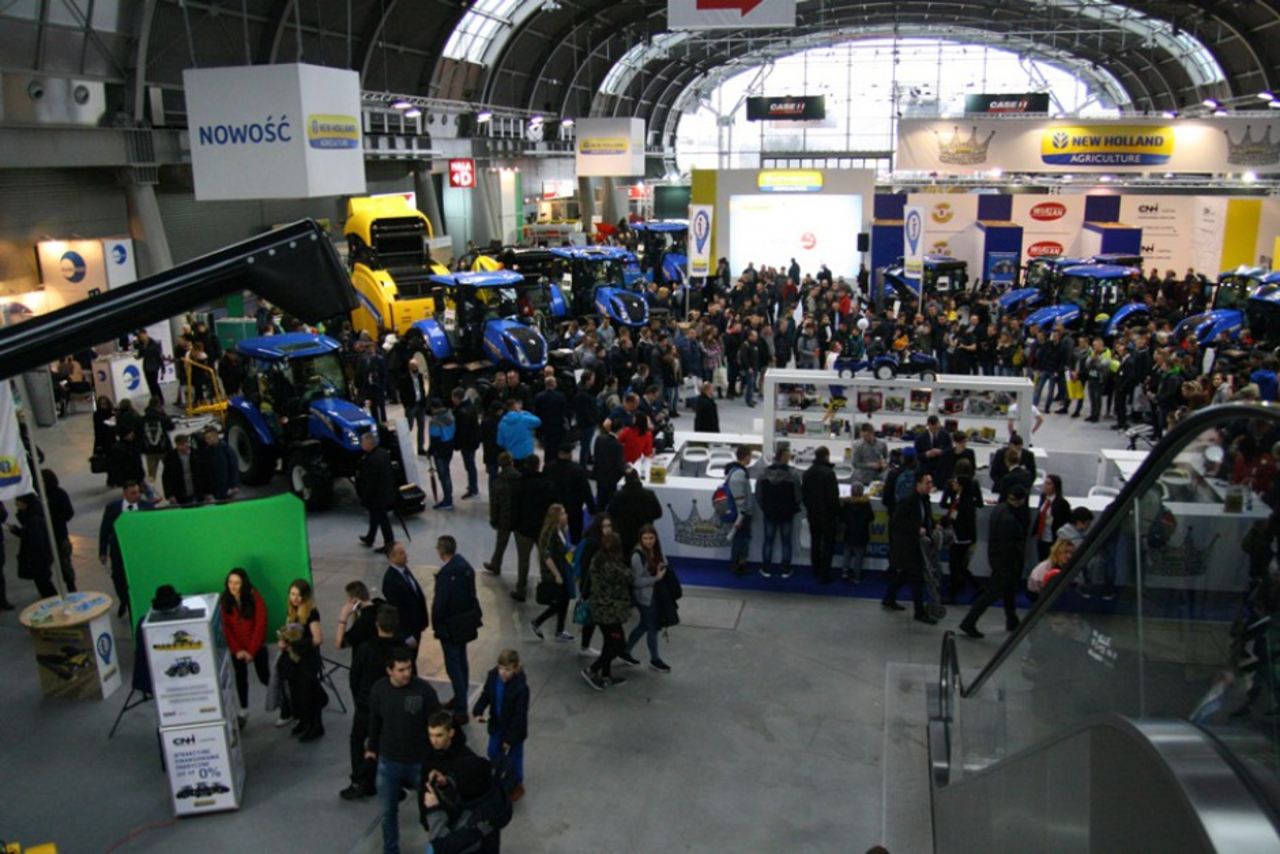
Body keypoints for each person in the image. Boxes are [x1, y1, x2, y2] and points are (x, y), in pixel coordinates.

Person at [366, 646, 442, 854]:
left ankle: (436, 847)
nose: (407, 673)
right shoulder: (379, 690)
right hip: (389, 760)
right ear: (389, 670)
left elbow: (437, 721)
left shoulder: (423, 691)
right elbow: (375, 721)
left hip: (419, 761)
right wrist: (372, 747)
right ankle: (391, 850)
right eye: (401, 670)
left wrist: (438, 757)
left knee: (430, 809)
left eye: (409, 668)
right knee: (387, 811)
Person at [341, 604, 401, 801]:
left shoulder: (366, 649)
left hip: (367, 706)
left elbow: (354, 677)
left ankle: (360, 781)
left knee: (358, 741)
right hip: (393, 707)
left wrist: (359, 697)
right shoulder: (401, 651)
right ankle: (389, 781)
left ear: (377, 624)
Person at [959, 485, 1032, 638]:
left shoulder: (1000, 509)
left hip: (997, 558)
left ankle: (1012, 620)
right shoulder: (1010, 520)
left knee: (1009, 591)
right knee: (992, 593)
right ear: (1021, 500)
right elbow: (1009, 545)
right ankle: (969, 622)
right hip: (1006, 562)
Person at [432, 535, 481, 725]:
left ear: (440, 551)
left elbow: (440, 604)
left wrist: (437, 624)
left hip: (450, 626)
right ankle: (460, 698)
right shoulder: (465, 566)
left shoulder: (446, 575)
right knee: (462, 661)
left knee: (453, 666)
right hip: (464, 622)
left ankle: (461, 708)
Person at [473, 649, 530, 802]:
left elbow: (519, 716)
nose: (503, 673)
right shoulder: (493, 677)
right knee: (492, 751)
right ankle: (501, 776)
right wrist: (478, 710)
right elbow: (486, 694)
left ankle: (516, 784)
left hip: (514, 730)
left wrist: (510, 739)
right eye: (501, 668)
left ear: (515, 668)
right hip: (497, 724)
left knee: (514, 757)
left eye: (507, 669)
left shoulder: (521, 688)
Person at [881, 471, 938, 624]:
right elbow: (897, 521)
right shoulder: (908, 501)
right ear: (918, 484)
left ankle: (889, 598)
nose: (930, 485)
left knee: (906, 574)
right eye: (927, 482)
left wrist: (934, 525)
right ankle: (919, 612)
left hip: (917, 544)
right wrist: (916, 528)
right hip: (907, 545)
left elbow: (926, 517)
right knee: (916, 577)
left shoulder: (924, 500)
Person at [581, 532, 633, 691]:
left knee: (609, 642)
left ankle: (606, 676)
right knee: (618, 645)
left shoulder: (597, 560)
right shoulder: (613, 566)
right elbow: (629, 577)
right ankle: (591, 670)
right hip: (610, 613)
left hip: (599, 609)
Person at [421, 754, 504, 853]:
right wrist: (446, 784)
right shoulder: (487, 793)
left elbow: (442, 847)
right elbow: (468, 789)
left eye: (458, 779)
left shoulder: (478, 823)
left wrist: (434, 809)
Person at [618, 523, 672, 673]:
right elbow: (636, 582)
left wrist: (662, 566)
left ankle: (625, 651)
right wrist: (656, 578)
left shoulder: (657, 550)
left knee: (644, 625)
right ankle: (655, 659)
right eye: (645, 538)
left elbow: (665, 562)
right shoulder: (637, 556)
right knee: (652, 628)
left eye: (651, 538)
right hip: (644, 598)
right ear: (640, 539)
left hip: (655, 594)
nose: (649, 541)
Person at [276, 578, 325, 742]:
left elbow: (317, 639)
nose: (295, 598)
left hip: (307, 661)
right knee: (297, 695)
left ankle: (315, 725)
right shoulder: (291, 611)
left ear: (306, 596)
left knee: (309, 694)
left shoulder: (312, 613)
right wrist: (283, 641)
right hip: (294, 662)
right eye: (292, 594)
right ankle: (303, 721)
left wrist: (295, 644)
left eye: (298, 595)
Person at [219, 568, 269, 728]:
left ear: (244, 584)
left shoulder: (255, 598)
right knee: (240, 678)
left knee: (265, 677)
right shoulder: (225, 600)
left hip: (256, 646)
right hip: (238, 649)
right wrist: (237, 650)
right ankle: (243, 710)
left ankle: (286, 704)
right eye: (230, 582)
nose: (233, 586)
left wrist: (252, 651)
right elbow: (226, 629)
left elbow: (260, 626)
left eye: (237, 583)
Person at [98, 480, 154, 618]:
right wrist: (102, 551)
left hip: (139, 550)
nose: (137, 495)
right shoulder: (112, 509)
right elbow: (105, 530)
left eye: (138, 492)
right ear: (125, 493)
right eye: (133, 493)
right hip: (119, 550)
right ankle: (124, 600)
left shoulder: (147, 507)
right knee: (118, 577)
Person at [510, 456, 557, 603]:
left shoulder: (519, 484)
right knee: (545, 558)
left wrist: (513, 525)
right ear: (538, 466)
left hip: (523, 528)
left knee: (523, 560)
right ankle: (547, 589)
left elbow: (514, 507)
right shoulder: (548, 483)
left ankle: (521, 590)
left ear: (525, 465)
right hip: (542, 528)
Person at [755, 444, 803, 579]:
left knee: (768, 540)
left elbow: (758, 495)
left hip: (769, 511)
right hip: (787, 513)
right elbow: (798, 496)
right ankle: (786, 569)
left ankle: (766, 568)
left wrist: (764, 507)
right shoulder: (793, 475)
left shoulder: (764, 474)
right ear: (784, 457)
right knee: (786, 542)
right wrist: (793, 507)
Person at [530, 503, 574, 642]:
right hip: (554, 572)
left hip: (562, 569)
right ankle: (538, 622)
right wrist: (557, 574)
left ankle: (559, 630)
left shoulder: (562, 531)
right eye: (563, 513)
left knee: (564, 599)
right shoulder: (551, 532)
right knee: (560, 600)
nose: (566, 516)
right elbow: (546, 555)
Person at [941, 461, 983, 604]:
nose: (953, 484)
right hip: (961, 536)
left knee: (955, 565)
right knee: (958, 565)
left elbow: (958, 517)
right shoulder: (962, 499)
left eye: (955, 482)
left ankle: (953, 593)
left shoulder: (964, 503)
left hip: (962, 537)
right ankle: (976, 587)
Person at [803, 446, 841, 584]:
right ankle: (825, 573)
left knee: (815, 542)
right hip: (827, 515)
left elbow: (804, 495)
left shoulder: (807, 473)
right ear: (827, 456)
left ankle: (816, 570)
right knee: (828, 545)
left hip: (813, 514)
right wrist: (837, 513)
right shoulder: (829, 473)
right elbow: (833, 497)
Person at [544, 442, 595, 544]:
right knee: (576, 535)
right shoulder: (577, 470)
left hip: (554, 507)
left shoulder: (548, 468)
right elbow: (585, 490)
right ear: (569, 454)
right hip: (574, 508)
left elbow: (544, 488)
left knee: (553, 535)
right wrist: (592, 509)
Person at [382, 541, 428, 651]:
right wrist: (406, 636)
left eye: (404, 552)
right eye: (401, 553)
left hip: (416, 626)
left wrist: (423, 621)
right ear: (392, 557)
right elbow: (397, 611)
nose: (405, 555)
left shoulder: (404, 570)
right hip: (407, 632)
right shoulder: (391, 581)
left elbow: (416, 595)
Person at [9, 494, 55, 599]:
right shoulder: (33, 514)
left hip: (39, 559)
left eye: (18, 503)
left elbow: (33, 540)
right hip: (41, 558)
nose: (16, 505)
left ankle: (52, 601)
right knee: (43, 583)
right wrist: (17, 530)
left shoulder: (34, 520)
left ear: (25, 503)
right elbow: (28, 534)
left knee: (44, 584)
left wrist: (28, 558)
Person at [357, 432, 398, 552]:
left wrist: (365, 497)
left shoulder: (371, 459)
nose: (361, 444)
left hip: (377, 495)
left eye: (362, 442)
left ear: (368, 444)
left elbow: (370, 480)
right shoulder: (382, 453)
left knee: (382, 519)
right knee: (374, 516)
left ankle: (389, 543)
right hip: (385, 491)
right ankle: (370, 537)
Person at [608, 469, 663, 556]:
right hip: (644, 535)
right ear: (638, 477)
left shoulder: (618, 496)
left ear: (625, 480)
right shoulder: (649, 494)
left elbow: (610, 513)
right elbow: (658, 513)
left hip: (624, 536)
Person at [484, 452, 519, 576]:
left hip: (504, 517)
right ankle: (522, 576)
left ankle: (496, 565)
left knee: (501, 544)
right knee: (523, 550)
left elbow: (494, 504)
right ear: (512, 462)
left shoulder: (497, 482)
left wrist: (494, 520)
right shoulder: (520, 478)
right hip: (519, 516)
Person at [41, 469, 75, 593]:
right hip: (45, 537)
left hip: (59, 536)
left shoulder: (59, 494)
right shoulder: (39, 496)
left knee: (64, 564)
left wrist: (53, 518)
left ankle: (71, 587)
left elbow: (68, 513)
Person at [725, 445, 755, 577]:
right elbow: (740, 498)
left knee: (740, 539)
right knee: (741, 540)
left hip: (740, 513)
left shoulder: (734, 471)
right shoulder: (739, 474)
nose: (751, 458)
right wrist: (743, 512)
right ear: (746, 456)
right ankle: (738, 565)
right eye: (750, 456)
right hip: (741, 514)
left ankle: (738, 564)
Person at [194, 425, 240, 502]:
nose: (206, 440)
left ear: (215, 437)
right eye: (205, 438)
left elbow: (233, 468)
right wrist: (207, 492)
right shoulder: (207, 452)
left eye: (208, 438)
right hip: (216, 489)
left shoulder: (226, 450)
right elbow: (206, 472)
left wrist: (235, 485)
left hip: (228, 487)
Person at [1032, 474, 1072, 561]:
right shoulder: (1043, 497)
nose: (1045, 486)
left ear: (1055, 486)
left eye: (1049, 484)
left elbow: (1066, 521)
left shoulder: (1062, 503)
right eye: (1045, 483)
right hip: (1041, 537)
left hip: (1053, 538)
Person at [840, 481, 874, 583]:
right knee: (859, 555)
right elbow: (871, 517)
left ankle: (845, 571)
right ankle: (856, 575)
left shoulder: (847, 503)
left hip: (849, 532)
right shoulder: (866, 504)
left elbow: (843, 518)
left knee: (847, 552)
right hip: (862, 533)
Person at [451, 388, 482, 499]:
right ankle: (472, 486)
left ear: (457, 398)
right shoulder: (470, 406)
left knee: (470, 466)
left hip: (467, 443)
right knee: (470, 465)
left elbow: (462, 430)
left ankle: (473, 488)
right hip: (472, 441)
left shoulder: (462, 411)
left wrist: (457, 444)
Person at [427, 399, 457, 510]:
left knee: (443, 476)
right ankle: (449, 497)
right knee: (446, 473)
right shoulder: (450, 415)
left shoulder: (435, 421)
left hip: (440, 451)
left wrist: (429, 452)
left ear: (433, 408)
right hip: (450, 447)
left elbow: (435, 439)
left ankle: (448, 500)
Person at [592, 420, 626, 508]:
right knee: (612, 502)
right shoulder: (618, 446)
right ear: (620, 430)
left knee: (601, 501)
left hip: (600, 474)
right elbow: (619, 465)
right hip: (612, 478)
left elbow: (596, 455)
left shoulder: (599, 439)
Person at [496, 399, 540, 465]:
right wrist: (525, 412)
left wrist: (508, 445)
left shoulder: (502, 422)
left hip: (512, 454)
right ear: (515, 407)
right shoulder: (523, 418)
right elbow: (538, 421)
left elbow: (500, 442)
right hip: (526, 452)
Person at [398, 359, 429, 454]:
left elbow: (422, 389)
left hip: (420, 404)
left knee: (421, 427)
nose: (416, 369)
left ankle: (420, 448)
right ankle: (405, 448)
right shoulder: (404, 378)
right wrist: (406, 405)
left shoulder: (419, 376)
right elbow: (402, 394)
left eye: (417, 367)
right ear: (410, 367)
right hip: (411, 405)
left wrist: (424, 401)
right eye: (414, 367)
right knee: (409, 427)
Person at [140, 397, 173, 481]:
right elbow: (171, 426)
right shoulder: (161, 417)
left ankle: (152, 487)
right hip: (163, 449)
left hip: (149, 450)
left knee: (151, 475)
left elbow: (139, 433)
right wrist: (164, 414)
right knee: (170, 471)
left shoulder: (143, 419)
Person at [160, 433, 199, 506]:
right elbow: (166, 477)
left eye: (182, 444)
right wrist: (170, 495)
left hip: (197, 491)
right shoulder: (171, 457)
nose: (180, 447)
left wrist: (208, 492)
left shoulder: (197, 454)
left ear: (187, 443)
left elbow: (204, 473)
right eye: (178, 445)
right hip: (180, 493)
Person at [133, 329, 165, 403]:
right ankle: (154, 399)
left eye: (142, 336)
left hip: (154, 366)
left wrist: (163, 368)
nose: (141, 338)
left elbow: (158, 356)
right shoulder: (141, 344)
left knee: (154, 384)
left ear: (146, 334)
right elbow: (141, 354)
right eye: (140, 337)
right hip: (146, 366)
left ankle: (160, 400)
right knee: (150, 385)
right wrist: (138, 357)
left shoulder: (154, 343)